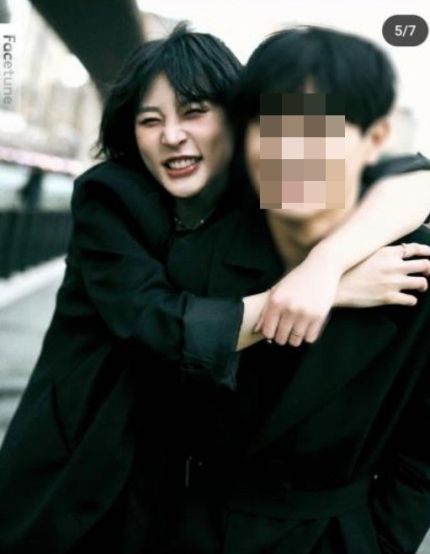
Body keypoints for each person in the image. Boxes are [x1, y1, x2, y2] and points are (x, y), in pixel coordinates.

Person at [0, 25, 429, 554]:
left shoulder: (268, 196)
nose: (172, 135)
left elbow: (415, 177)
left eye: (195, 111)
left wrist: (328, 262)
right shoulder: (113, 198)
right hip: (89, 449)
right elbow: (161, 327)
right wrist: (325, 289)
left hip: (193, 491)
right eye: (150, 120)